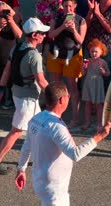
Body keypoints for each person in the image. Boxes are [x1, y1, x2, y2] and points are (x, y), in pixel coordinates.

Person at [3, 82, 111, 206]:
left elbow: (27, 145)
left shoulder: (36, 119)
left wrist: (21, 169)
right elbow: (75, 154)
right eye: (68, 96)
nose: (69, 98)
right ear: (62, 100)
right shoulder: (56, 126)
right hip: (54, 189)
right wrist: (98, 137)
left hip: (44, 183)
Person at [0, 17, 49, 175]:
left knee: (38, 128)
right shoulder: (35, 56)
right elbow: (41, 81)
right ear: (34, 35)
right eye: (42, 33)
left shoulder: (17, 47)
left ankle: (38, 158)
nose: (44, 35)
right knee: (16, 131)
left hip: (19, 94)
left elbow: (7, 69)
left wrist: (1, 87)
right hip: (27, 100)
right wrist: (56, 94)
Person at [47, 0, 87, 128]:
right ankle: (55, 117)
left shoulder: (81, 20)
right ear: (62, 6)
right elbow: (51, 35)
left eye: (70, 6)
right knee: (55, 87)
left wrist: (73, 29)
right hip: (56, 54)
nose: (68, 8)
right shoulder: (57, 18)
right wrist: (63, 27)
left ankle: (75, 118)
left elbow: (81, 40)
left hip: (73, 55)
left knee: (72, 87)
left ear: (75, 6)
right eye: (65, 6)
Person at [84, 0, 111, 85]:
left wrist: (98, 14)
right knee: (91, 76)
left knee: (105, 77)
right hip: (92, 46)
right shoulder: (95, 3)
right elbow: (85, 25)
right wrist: (90, 11)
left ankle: (105, 98)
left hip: (107, 47)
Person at [81, 38, 110, 130]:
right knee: (87, 104)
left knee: (99, 105)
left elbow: (108, 73)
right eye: (92, 51)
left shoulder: (103, 62)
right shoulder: (86, 61)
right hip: (88, 83)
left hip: (98, 83)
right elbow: (83, 73)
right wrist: (84, 67)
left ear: (101, 52)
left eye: (96, 52)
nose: (93, 53)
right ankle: (87, 122)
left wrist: (104, 72)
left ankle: (99, 123)